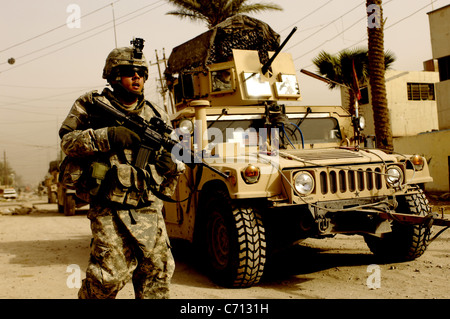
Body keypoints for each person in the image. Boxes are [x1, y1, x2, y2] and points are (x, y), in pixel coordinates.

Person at [59, 39, 184, 299]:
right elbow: (67, 142)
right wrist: (109, 135)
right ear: (114, 76)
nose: (137, 77)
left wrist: (171, 165)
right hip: (109, 207)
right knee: (108, 277)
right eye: (129, 72)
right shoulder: (92, 104)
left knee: (157, 275)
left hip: (148, 207)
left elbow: (175, 155)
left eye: (141, 73)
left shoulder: (156, 114)